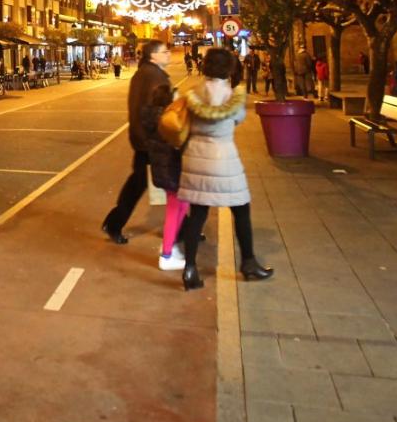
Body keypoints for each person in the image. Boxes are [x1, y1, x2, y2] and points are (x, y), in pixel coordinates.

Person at [177, 47, 273, 290]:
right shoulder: (233, 95)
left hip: (196, 156)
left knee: (197, 214)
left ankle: (189, 268)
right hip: (223, 158)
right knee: (241, 210)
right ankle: (249, 263)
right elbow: (238, 119)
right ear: (228, 68)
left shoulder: (192, 93)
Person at [101, 40, 172, 244]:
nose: (168, 54)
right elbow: (158, 110)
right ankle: (114, 223)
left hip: (144, 139)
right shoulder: (154, 76)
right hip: (152, 141)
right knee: (165, 183)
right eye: (164, 52)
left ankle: (183, 227)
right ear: (153, 56)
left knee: (144, 183)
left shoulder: (146, 74)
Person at [144, 83, 186, 271]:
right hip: (171, 170)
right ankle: (166, 254)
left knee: (181, 206)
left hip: (162, 170)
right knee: (175, 209)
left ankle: (170, 245)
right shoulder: (167, 120)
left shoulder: (151, 116)